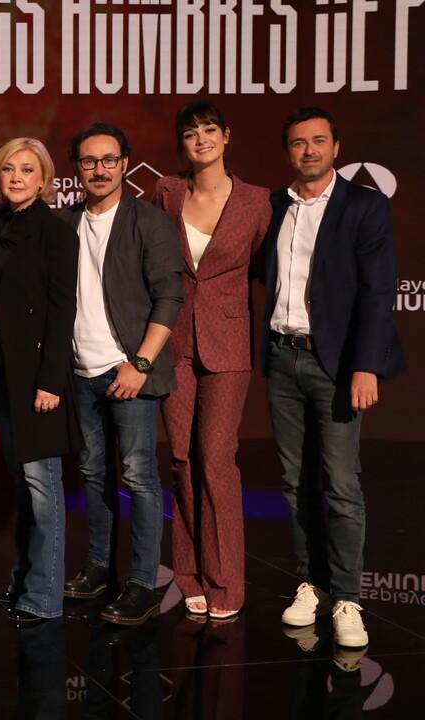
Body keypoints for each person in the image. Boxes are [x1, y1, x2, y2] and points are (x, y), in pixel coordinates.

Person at [264, 107, 403, 648]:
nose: (309, 150)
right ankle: (312, 584)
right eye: (299, 142)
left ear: (336, 148)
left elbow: (378, 290)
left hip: (339, 365)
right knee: (294, 482)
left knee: (341, 485)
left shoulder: (363, 205)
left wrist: (366, 364)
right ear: (288, 151)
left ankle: (347, 597)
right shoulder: (275, 205)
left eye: (318, 140)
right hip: (282, 358)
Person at [60, 122, 184, 626]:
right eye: (90, 161)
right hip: (80, 372)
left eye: (109, 160)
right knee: (93, 472)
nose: (100, 169)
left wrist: (141, 365)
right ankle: (99, 568)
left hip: (130, 371)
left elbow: (170, 297)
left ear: (125, 164)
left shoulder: (148, 222)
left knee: (139, 478)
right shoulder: (65, 223)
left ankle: (142, 584)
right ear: (77, 168)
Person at [151, 101, 271, 621]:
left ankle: (225, 582)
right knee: (181, 458)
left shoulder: (257, 202)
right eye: (190, 133)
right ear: (182, 143)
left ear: (226, 136)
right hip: (173, 342)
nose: (200, 139)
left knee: (216, 458)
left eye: (208, 130)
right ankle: (188, 573)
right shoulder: (166, 192)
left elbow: (269, 268)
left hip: (228, 342)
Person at [0, 138, 81, 627]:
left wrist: (51, 381)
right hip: (2, 374)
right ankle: (23, 580)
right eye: (8, 169)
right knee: (23, 481)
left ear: (44, 181)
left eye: (27, 170)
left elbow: (62, 312)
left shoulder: (56, 233)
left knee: (43, 484)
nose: (16, 177)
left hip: (39, 378)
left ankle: (46, 594)